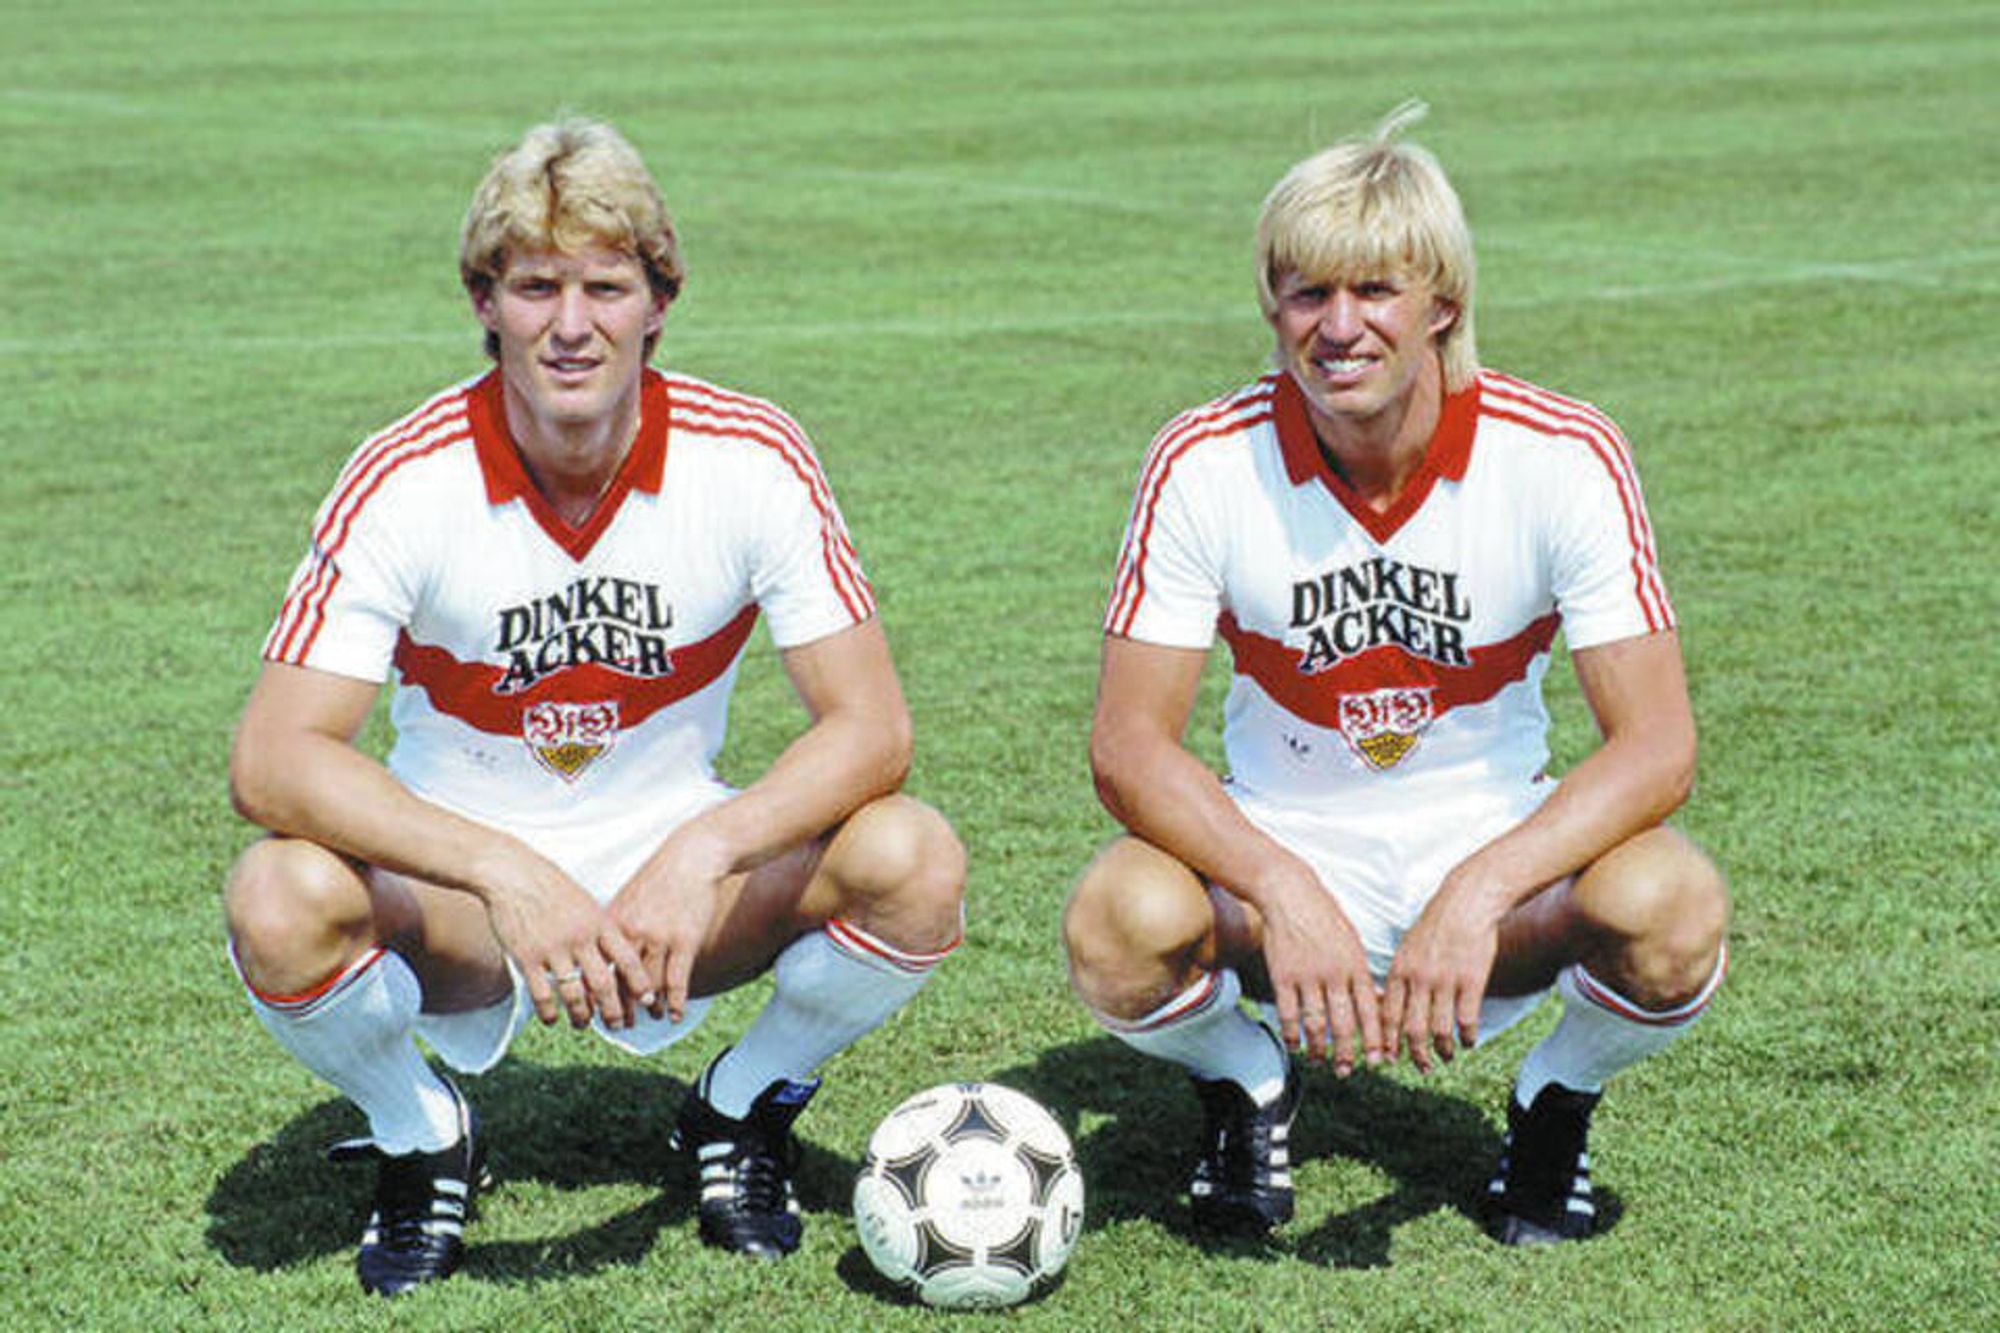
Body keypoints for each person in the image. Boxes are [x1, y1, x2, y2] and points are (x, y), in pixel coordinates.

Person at [223, 117, 965, 1295]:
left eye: (605, 287)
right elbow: (273, 758)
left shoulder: (752, 456)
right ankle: (421, 1133)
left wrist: (700, 846)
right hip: (461, 899)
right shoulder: (404, 476)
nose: (571, 325)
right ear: (485, 302)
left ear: (658, 300)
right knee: (277, 894)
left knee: (912, 858)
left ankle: (738, 1106)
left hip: (675, 891)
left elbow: (870, 727)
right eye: (535, 288)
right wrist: (505, 872)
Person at [1063, 102, 1727, 1246]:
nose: (1337, 327)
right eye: (1305, 292)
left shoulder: (1559, 455)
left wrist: (1476, 889)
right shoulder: (1205, 458)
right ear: (1271, 306)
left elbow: (1655, 743)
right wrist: (1281, 885)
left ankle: (1552, 1103)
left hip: (1495, 859)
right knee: (1114, 923)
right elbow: (1129, 744)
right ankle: (1245, 1083)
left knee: (1671, 909)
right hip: (1284, 843)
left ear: (1441, 306)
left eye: (1374, 290)